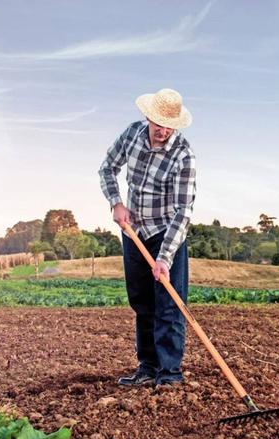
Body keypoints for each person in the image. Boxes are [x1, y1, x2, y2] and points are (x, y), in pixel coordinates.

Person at [99, 88, 196, 387]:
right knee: (142, 303)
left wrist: (164, 257)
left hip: (167, 233)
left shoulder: (184, 156)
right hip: (134, 231)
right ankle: (148, 368)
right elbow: (107, 169)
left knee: (169, 305)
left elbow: (183, 211)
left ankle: (169, 375)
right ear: (148, 117)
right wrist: (116, 202)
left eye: (169, 125)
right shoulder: (131, 135)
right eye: (158, 123)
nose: (163, 130)